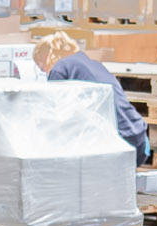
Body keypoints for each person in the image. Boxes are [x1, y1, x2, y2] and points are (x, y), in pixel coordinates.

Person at [32, 31, 150, 167]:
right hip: (139, 138)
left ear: (46, 57)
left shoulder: (59, 69)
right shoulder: (93, 64)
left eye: (41, 67)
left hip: (119, 142)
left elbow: (55, 117)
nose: (43, 72)